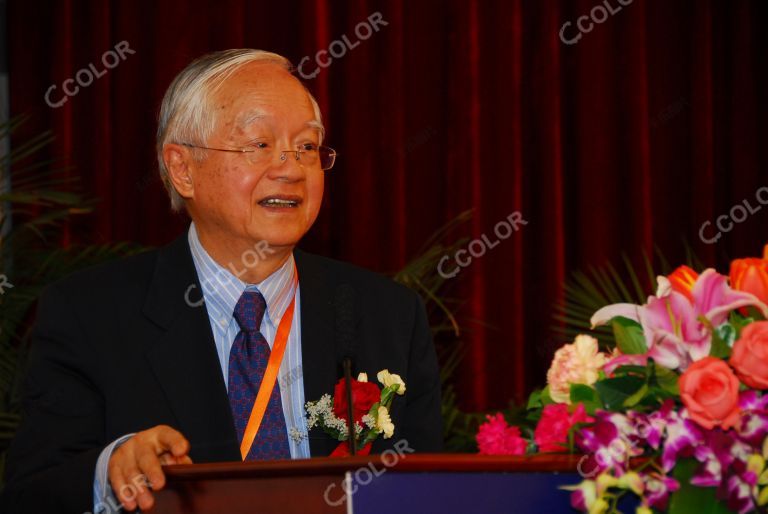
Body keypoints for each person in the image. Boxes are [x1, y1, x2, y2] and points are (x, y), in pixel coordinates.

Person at [1, 49, 442, 513]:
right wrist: (111, 471)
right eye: (259, 145)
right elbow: (31, 495)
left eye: (307, 147)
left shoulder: (387, 315)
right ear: (182, 168)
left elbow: (426, 494)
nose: (291, 169)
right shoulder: (89, 315)